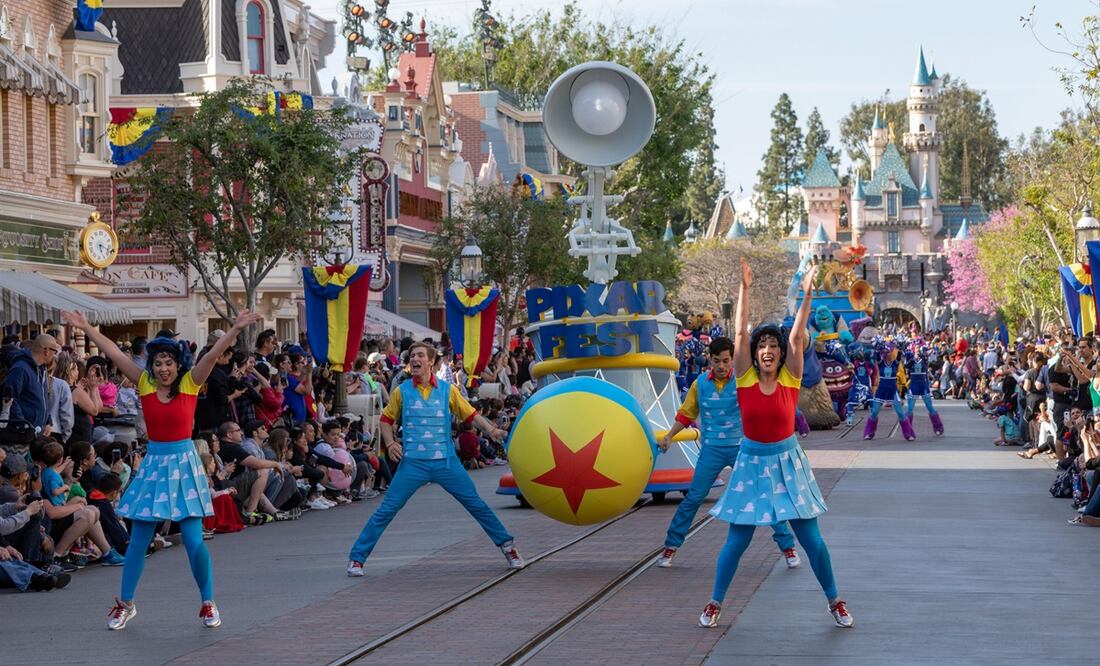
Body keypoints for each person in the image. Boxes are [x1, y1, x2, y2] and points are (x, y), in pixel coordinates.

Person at [63, 307, 263, 632]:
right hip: (155, 464)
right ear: (152, 365)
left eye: (169, 362)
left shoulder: (189, 383)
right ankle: (126, 604)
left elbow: (212, 356)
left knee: (194, 540)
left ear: (177, 364)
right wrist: (86, 326)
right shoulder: (143, 382)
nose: (164, 368)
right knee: (139, 539)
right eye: (158, 362)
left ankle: (208, 601)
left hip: (184, 464)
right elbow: (113, 351)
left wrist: (235, 328)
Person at [698, 258, 852, 630]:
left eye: (773, 345)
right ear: (755, 353)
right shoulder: (745, 379)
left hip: (787, 463)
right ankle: (715, 602)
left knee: (813, 542)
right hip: (751, 464)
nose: (767, 348)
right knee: (736, 542)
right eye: (761, 345)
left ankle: (835, 601)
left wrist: (808, 292)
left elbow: (798, 333)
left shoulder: (791, 379)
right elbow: (738, 335)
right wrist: (745, 290)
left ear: (781, 353)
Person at [347, 342, 524, 576]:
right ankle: (357, 558)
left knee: (477, 505)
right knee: (387, 510)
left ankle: (508, 546)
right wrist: (389, 443)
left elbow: (471, 414)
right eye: (412, 356)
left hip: (446, 463)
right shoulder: (402, 392)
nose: (414, 359)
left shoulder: (447, 390)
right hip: (413, 464)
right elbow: (385, 420)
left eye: (420, 355)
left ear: (430, 361)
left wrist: (492, 431)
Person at [655, 336, 799, 570]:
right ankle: (671, 546)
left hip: (743, 448)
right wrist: (670, 436)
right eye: (716, 361)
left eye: (725, 361)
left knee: (764, 493)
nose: (721, 366)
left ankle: (788, 547)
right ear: (709, 361)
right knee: (693, 497)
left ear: (732, 360)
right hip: (712, 449)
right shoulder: (699, 384)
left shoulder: (744, 381)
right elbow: (686, 414)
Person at [3, 333, 59, 434]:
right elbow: (10, 399)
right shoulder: (20, 369)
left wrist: (47, 421)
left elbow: (42, 398)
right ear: (46, 350)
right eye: (54, 351)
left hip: (36, 432)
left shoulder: (42, 369)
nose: (54, 355)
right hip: (23, 434)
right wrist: (24, 426)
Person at [863, 341, 916, 441]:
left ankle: (908, 433)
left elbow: (900, 354)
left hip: (892, 390)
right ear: (885, 353)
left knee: (900, 413)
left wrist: (900, 346)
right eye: (889, 352)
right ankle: (869, 433)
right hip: (881, 390)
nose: (891, 354)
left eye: (892, 352)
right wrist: (877, 347)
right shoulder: (881, 363)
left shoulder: (895, 363)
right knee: (874, 412)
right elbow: (875, 355)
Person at [904, 342, 944, 436]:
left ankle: (938, 427)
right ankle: (908, 430)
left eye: (919, 347)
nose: (917, 349)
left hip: (923, 385)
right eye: (916, 348)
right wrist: (912, 359)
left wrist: (925, 354)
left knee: (930, 407)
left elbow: (928, 359)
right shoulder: (910, 359)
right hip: (914, 385)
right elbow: (906, 366)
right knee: (909, 409)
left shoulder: (924, 359)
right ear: (913, 349)